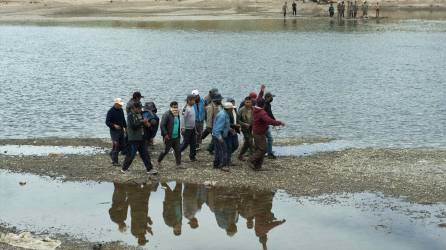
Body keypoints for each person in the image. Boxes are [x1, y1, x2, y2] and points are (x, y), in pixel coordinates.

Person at [121, 102, 157, 175]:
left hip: (142, 138)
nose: (141, 109)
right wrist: (142, 122)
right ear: (134, 108)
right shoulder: (130, 116)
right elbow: (133, 126)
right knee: (131, 155)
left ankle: (149, 169)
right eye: (139, 108)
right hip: (133, 139)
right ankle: (124, 169)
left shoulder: (140, 114)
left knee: (145, 154)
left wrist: (147, 124)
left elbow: (144, 124)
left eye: (141, 108)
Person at [249, 99, 284, 170]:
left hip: (257, 132)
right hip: (259, 133)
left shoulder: (255, 109)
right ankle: (251, 160)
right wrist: (279, 122)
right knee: (263, 149)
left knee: (259, 149)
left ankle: (257, 166)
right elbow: (269, 120)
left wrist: (262, 91)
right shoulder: (262, 112)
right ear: (263, 105)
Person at [158, 101, 183, 168]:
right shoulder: (166, 114)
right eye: (174, 107)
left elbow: (178, 124)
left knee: (178, 150)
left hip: (176, 136)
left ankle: (179, 164)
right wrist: (165, 134)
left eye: (176, 107)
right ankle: (159, 161)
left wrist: (180, 132)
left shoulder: (177, 114)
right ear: (171, 107)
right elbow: (162, 125)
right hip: (168, 137)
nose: (175, 109)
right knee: (165, 151)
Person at [106, 98, 127, 166]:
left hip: (121, 130)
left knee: (123, 145)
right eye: (119, 105)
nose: (121, 106)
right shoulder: (110, 111)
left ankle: (112, 153)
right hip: (114, 131)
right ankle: (115, 162)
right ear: (116, 104)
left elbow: (123, 119)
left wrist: (126, 127)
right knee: (116, 145)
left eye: (121, 105)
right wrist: (114, 125)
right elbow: (107, 122)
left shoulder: (121, 110)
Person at [257, 89, 278, 159]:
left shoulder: (267, 104)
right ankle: (269, 153)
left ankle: (266, 152)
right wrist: (274, 122)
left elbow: (270, 114)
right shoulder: (266, 105)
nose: (272, 99)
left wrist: (274, 121)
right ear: (267, 98)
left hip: (264, 124)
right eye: (271, 97)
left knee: (264, 138)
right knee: (269, 138)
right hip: (264, 124)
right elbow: (269, 114)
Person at [212, 102, 231, 171]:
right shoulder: (223, 115)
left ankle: (216, 164)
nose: (232, 110)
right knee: (223, 150)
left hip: (217, 135)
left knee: (218, 150)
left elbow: (225, 125)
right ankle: (222, 165)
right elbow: (218, 129)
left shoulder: (224, 113)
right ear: (229, 109)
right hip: (218, 135)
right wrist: (220, 138)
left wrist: (230, 129)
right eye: (231, 109)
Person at [180, 95, 197, 162]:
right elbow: (182, 118)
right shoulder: (185, 108)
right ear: (189, 100)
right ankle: (178, 152)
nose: (194, 101)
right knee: (185, 143)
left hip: (192, 128)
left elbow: (193, 119)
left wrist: (195, 128)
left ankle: (192, 157)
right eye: (193, 100)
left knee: (193, 143)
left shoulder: (192, 107)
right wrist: (182, 127)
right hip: (187, 129)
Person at [238, 97, 254, 161]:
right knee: (250, 141)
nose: (248, 103)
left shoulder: (253, 109)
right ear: (244, 102)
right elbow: (237, 120)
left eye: (249, 102)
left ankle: (240, 155)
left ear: (251, 103)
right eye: (246, 102)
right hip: (244, 128)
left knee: (247, 142)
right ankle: (252, 156)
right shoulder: (241, 110)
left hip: (252, 128)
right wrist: (244, 124)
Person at [224, 100, 239, 166]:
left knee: (236, 145)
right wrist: (234, 125)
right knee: (229, 146)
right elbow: (226, 123)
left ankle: (227, 156)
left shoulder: (235, 110)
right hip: (229, 131)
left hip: (234, 130)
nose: (233, 106)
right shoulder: (226, 113)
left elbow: (237, 119)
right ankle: (228, 159)